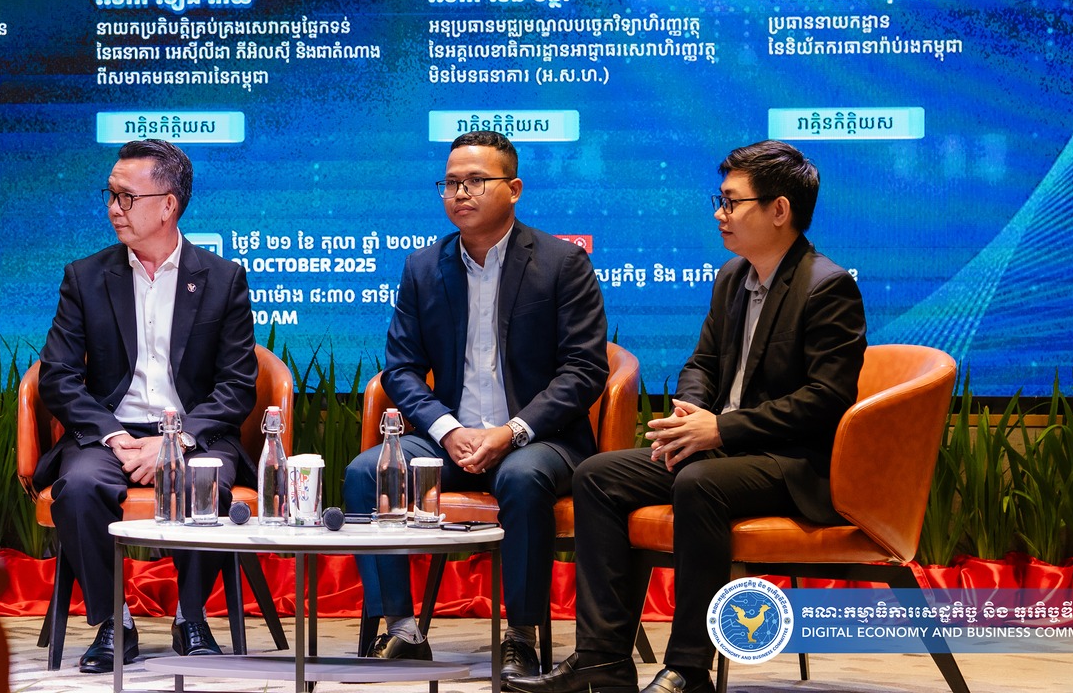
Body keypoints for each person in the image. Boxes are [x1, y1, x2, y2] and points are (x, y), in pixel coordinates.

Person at [506, 141, 867, 693]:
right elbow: (702, 363)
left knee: (699, 482)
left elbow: (825, 399)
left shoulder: (827, 286)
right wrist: (692, 413)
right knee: (597, 476)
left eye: (731, 202)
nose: (720, 214)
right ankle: (602, 659)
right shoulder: (732, 277)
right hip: (722, 450)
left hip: (791, 463)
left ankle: (687, 669)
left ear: (779, 210)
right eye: (719, 201)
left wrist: (720, 429)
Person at [343, 131, 609, 679]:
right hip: (451, 439)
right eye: (451, 183)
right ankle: (402, 631)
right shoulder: (423, 267)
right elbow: (400, 369)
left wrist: (511, 432)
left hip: (540, 440)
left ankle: (521, 637)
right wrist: (446, 429)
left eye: (476, 181)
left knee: (522, 477)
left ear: (514, 189)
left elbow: (584, 370)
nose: (460, 193)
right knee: (366, 472)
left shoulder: (562, 263)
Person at [34, 139, 257, 672]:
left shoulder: (223, 279)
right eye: (111, 195)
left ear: (168, 205)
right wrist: (114, 436)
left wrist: (174, 442)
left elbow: (237, 385)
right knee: (80, 487)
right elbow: (57, 376)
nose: (114, 208)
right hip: (109, 434)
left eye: (126, 197)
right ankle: (114, 622)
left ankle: (190, 616)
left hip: (192, 434)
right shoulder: (85, 277)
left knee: (206, 481)